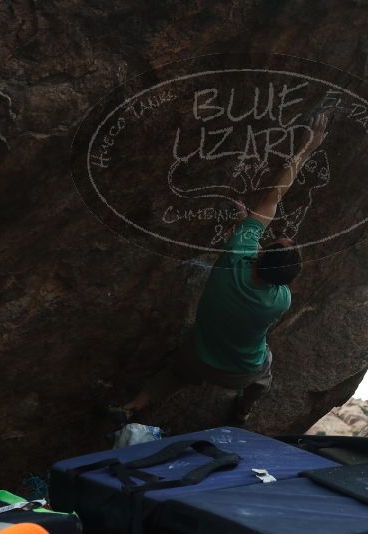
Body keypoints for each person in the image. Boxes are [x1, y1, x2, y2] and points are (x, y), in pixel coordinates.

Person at [115, 110, 332, 425]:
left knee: (174, 372)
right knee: (265, 372)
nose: (286, 237)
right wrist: (250, 235)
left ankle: (133, 405)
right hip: (241, 373)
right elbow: (263, 264)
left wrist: (305, 149)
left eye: (282, 243)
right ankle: (242, 410)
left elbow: (273, 196)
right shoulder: (280, 300)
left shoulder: (235, 255)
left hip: (198, 358)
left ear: (260, 255)